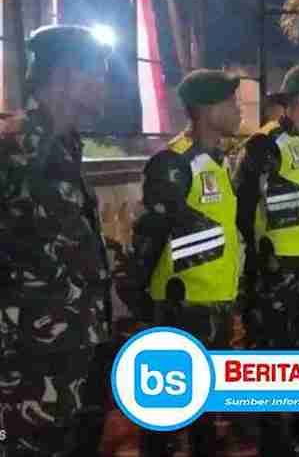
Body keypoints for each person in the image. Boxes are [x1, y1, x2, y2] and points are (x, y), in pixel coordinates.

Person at [0, 25, 113, 457]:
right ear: (66, 75)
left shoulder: (66, 147)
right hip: (25, 372)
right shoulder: (13, 148)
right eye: (97, 73)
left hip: (75, 358)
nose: (105, 86)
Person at [130, 69, 243, 456]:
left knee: (206, 408)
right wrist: (146, 303)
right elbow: (148, 239)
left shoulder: (216, 160)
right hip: (182, 307)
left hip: (217, 302)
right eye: (231, 103)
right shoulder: (174, 162)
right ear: (206, 109)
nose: (239, 110)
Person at [235, 62, 299, 455]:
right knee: (274, 354)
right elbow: (243, 212)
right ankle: (273, 438)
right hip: (277, 272)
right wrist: (260, 265)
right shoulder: (266, 145)